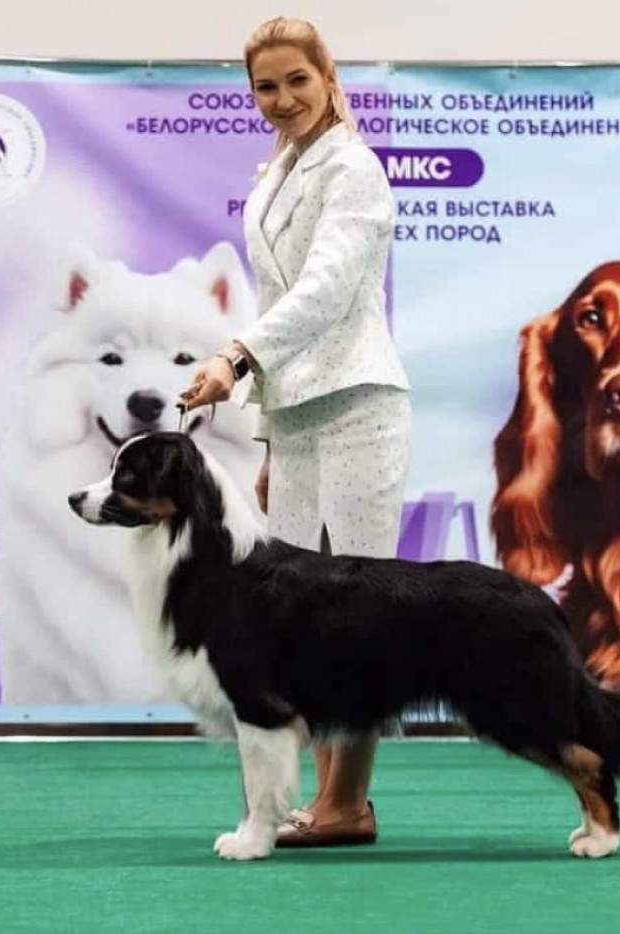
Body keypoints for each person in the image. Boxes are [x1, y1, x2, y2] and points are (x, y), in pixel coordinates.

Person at [180, 16, 411, 848]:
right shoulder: (279, 170)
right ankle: (316, 800)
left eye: (297, 81)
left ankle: (348, 804)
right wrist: (273, 439)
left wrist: (234, 357)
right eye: (266, 87)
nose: (281, 100)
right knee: (298, 620)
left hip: (358, 405)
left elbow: (322, 291)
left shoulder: (353, 167)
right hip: (299, 415)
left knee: (358, 617)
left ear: (328, 76)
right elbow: (282, 301)